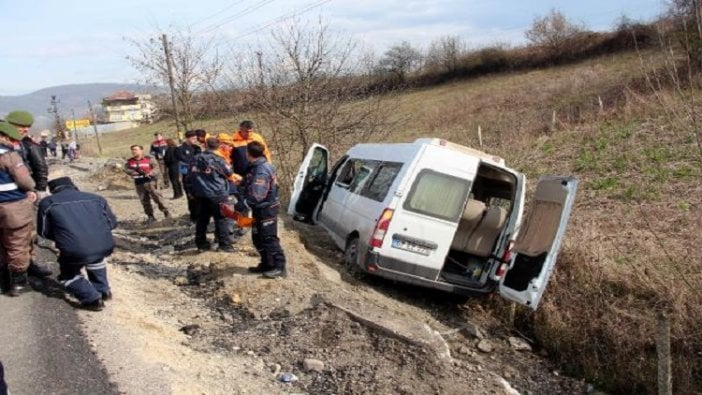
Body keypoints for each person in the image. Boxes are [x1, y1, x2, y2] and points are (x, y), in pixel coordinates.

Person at [37, 177, 117, 311]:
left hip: (73, 249)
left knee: (68, 274)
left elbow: (44, 232)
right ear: (74, 186)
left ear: (52, 190)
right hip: (105, 245)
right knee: (95, 259)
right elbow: (112, 223)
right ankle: (103, 291)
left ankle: (92, 299)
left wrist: (62, 238)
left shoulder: (48, 203)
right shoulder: (97, 198)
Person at [5, 110, 52, 278]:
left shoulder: (28, 145)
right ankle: (9, 269)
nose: (25, 130)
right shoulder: (7, 144)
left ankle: (29, 265)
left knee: (27, 234)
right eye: (21, 126)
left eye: (27, 127)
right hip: (8, 197)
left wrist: (39, 190)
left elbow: (40, 168)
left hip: (25, 195)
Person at [237, 141, 286, 278]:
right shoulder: (255, 166)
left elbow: (258, 195)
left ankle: (280, 267)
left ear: (248, 153)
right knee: (257, 237)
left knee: (269, 238)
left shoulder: (261, 170)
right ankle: (266, 263)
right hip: (259, 209)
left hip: (266, 209)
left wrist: (244, 203)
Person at [0, 121, 37, 296]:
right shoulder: (10, 156)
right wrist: (31, 189)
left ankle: (3, 281)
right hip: (13, 207)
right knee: (17, 244)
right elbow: (25, 181)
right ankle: (19, 283)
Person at [186, 138, 235, 252]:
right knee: (222, 219)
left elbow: (189, 176)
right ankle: (225, 245)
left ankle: (201, 244)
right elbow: (229, 173)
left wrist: (191, 191)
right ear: (218, 147)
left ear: (205, 145)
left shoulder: (194, 159)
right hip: (218, 194)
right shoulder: (219, 160)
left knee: (202, 220)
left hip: (200, 194)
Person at [123, 145, 170, 222]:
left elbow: (157, 168)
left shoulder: (149, 159)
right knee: (144, 201)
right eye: (132, 150)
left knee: (158, 198)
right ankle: (150, 216)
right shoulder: (130, 161)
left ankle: (166, 212)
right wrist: (135, 173)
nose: (133, 151)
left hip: (150, 182)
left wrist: (150, 173)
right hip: (139, 183)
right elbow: (126, 169)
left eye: (135, 149)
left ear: (141, 150)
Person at [175, 130, 202, 221]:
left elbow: (200, 160)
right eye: (193, 138)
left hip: (198, 175)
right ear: (187, 138)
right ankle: (193, 216)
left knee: (200, 195)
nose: (195, 140)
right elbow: (184, 160)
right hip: (187, 176)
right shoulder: (180, 149)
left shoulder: (197, 148)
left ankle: (201, 214)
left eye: (196, 138)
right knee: (191, 196)